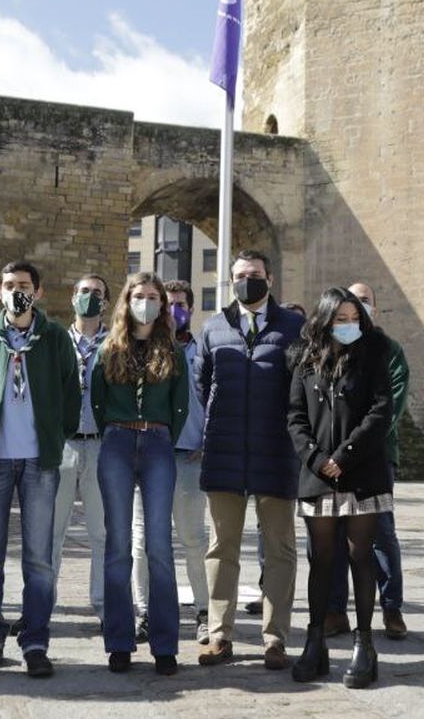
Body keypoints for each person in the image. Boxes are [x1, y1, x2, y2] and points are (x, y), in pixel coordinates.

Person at [0, 260, 80, 678]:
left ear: (38, 292)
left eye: (24, 285)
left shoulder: (55, 337)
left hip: (39, 462)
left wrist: (54, 437)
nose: (17, 292)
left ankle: (35, 640)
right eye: (9, 285)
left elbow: (70, 393)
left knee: (39, 559)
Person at [196, 249, 305, 668]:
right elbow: (203, 384)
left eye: (255, 274)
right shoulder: (214, 327)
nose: (247, 281)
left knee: (280, 549)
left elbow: (301, 386)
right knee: (221, 549)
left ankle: (275, 638)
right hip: (225, 452)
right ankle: (219, 635)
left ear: (270, 279)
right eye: (240, 275)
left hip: (276, 452)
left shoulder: (293, 327)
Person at [287, 287, 394, 688]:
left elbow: (381, 411)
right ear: (324, 320)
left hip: (361, 472)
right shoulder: (305, 360)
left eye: (354, 318)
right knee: (321, 559)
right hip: (318, 475)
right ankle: (315, 641)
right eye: (340, 319)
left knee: (359, 555)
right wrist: (317, 459)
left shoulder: (373, 354)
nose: (349, 325)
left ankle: (364, 645)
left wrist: (345, 455)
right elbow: (295, 416)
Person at [91, 272, 192, 675]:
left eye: (153, 296)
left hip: (157, 443)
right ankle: (119, 641)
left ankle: (165, 644)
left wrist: (161, 436)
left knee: (159, 546)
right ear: (126, 301)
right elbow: (97, 400)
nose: (145, 303)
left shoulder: (172, 350)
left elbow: (180, 405)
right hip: (117, 440)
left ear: (162, 304)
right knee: (117, 545)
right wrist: (115, 430)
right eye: (138, 295)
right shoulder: (108, 347)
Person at [314, 281, 410, 640]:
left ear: (374, 309)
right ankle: (335, 610)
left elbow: (389, 407)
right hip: (332, 461)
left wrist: (356, 448)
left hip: (374, 456)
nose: (357, 310)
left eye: (365, 302)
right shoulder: (325, 351)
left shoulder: (387, 350)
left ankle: (391, 607)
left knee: (381, 534)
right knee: (334, 535)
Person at [133, 280, 211, 646]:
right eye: (169, 304)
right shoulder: (145, 348)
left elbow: (216, 397)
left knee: (194, 539)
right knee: (143, 541)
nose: (174, 310)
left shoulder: (203, 350)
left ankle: (205, 612)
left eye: (181, 304)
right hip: (149, 456)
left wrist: (208, 439)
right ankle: (144, 612)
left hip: (189, 456)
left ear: (190, 309)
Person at [52, 273, 110, 629]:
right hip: (62, 444)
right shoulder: (55, 340)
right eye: (84, 291)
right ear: (73, 296)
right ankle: (42, 604)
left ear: (106, 301)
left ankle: (103, 604)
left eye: (97, 292)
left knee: (101, 532)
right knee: (51, 531)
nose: (90, 297)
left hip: (100, 444)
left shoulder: (115, 342)